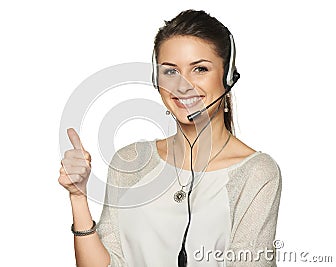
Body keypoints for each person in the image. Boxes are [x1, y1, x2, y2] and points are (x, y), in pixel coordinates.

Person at [59, 9, 282, 267]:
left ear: (228, 76)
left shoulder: (256, 172)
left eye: (199, 69)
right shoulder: (130, 161)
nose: (182, 85)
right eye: (170, 71)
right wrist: (78, 196)